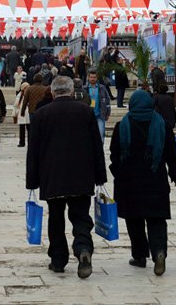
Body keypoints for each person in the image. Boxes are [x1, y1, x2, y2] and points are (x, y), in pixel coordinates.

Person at [26, 76, 106, 278]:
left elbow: (33, 151)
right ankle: (83, 250)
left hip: (53, 177)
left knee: (56, 219)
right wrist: (100, 176)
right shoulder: (86, 112)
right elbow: (97, 147)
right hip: (81, 176)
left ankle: (58, 259)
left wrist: (32, 181)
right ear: (71, 92)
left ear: (53, 92)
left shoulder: (41, 114)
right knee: (81, 217)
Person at [109, 89, 176, 276]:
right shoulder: (162, 124)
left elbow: (115, 154)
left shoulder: (122, 125)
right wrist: (174, 174)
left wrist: (116, 172)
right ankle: (159, 252)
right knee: (157, 219)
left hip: (129, 182)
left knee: (134, 220)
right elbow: (171, 153)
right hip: (155, 180)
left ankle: (140, 256)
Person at [84, 70, 111, 144]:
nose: (92, 79)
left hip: (100, 115)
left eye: (94, 77)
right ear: (88, 78)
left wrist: (108, 112)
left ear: (97, 78)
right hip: (88, 116)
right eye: (91, 77)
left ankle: (100, 152)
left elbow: (107, 100)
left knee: (101, 134)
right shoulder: (85, 89)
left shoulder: (102, 88)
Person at [13, 82, 30, 147]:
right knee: (22, 130)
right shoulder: (20, 95)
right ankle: (22, 142)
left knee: (30, 129)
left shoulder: (29, 94)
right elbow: (16, 104)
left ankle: (29, 142)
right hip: (22, 114)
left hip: (28, 113)